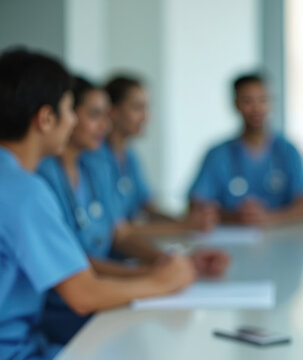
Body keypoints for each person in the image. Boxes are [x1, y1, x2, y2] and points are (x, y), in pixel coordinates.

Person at [0, 48, 194, 360]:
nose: (74, 120)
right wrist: (162, 281)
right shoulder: (24, 191)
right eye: (70, 110)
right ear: (46, 119)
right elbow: (83, 295)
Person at [36, 76, 230, 343]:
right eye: (94, 115)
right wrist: (155, 276)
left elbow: (121, 233)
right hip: (68, 309)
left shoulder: (93, 168)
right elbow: (75, 263)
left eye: (106, 115)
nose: (105, 124)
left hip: (105, 292)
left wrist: (167, 260)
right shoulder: (43, 177)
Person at [89, 75, 218, 237]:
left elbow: (148, 208)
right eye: (137, 108)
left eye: (147, 108)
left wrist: (186, 221)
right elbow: (116, 229)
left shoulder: (130, 156)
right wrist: (183, 226)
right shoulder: (95, 158)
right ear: (113, 111)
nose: (146, 117)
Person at [189, 73, 303, 226]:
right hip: (230, 240)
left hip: (281, 239)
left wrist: (268, 218)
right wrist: (235, 217)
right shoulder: (218, 155)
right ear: (236, 104)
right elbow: (196, 205)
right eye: (247, 101)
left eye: (263, 100)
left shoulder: (288, 151)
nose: (256, 108)